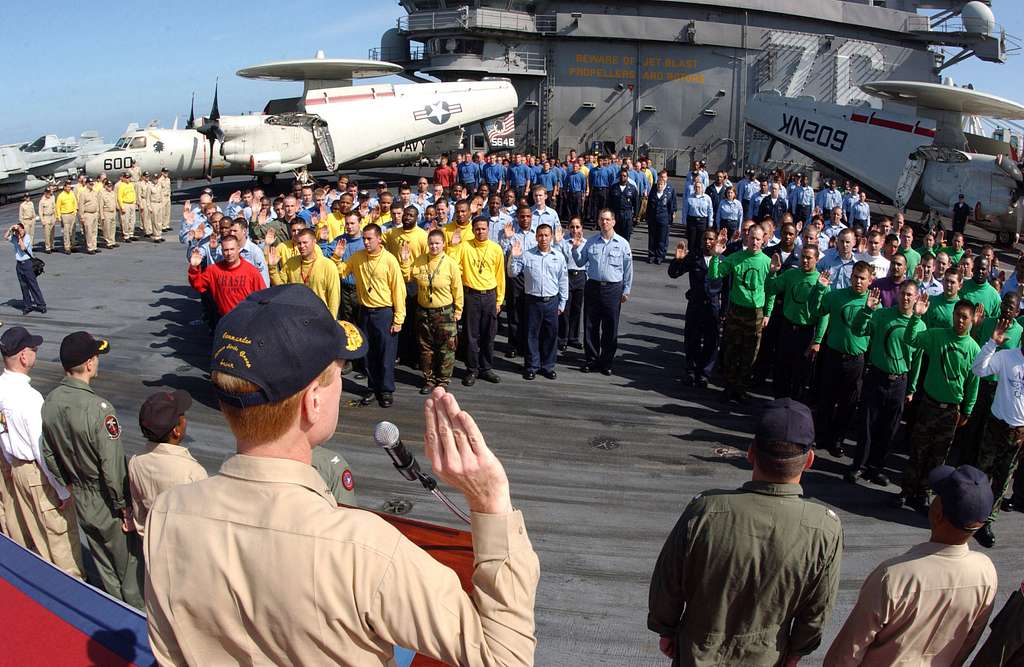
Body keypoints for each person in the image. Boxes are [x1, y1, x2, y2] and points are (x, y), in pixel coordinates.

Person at [143, 285, 539, 665]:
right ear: (313, 401)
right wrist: (490, 503)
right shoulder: (363, 550)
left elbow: (169, 651)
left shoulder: (167, 514)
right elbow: (503, 658)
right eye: (339, 374)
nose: (343, 385)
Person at [648, 398, 842, 666]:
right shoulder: (824, 528)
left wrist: (666, 628)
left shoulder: (706, 509)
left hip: (697, 652)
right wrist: (797, 651)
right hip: (767, 657)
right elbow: (818, 608)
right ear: (809, 460)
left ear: (751, 453)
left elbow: (668, 580)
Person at [833, 465, 998, 664]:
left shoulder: (894, 575)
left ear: (937, 514)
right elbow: (968, 643)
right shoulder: (986, 572)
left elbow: (847, 652)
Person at [41, 331, 144, 608]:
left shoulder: (49, 402)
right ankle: (136, 620)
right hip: (106, 501)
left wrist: (68, 483)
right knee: (130, 570)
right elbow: (112, 466)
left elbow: (49, 452)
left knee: (104, 566)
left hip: (81, 496)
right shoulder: (99, 409)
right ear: (89, 364)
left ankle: (114, 612)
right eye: (96, 356)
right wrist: (124, 507)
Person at [0, 327, 83, 577]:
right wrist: (61, 490)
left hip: (15, 467)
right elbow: (42, 449)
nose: (35, 353)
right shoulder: (30, 398)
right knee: (59, 538)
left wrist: (9, 462)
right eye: (33, 349)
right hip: (37, 475)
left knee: (31, 532)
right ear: (23, 357)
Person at [895, 297, 981, 512]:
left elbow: (973, 384)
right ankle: (906, 490)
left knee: (938, 458)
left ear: (972, 320)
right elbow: (911, 339)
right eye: (957, 315)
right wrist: (917, 316)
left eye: (964, 317)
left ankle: (924, 494)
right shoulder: (937, 335)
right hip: (928, 405)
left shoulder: (974, 349)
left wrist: (967, 411)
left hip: (951, 412)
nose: (959, 320)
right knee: (917, 450)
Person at [845, 281, 925, 486]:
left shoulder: (920, 325)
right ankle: (858, 466)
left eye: (910, 295)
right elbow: (857, 329)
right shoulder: (882, 315)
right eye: (903, 294)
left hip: (899, 383)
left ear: (916, 298)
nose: (906, 298)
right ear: (898, 295)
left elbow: (916, 362)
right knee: (867, 425)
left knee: (889, 428)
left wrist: (912, 388)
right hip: (877, 377)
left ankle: (876, 468)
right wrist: (866, 310)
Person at [334, 223, 406, 408]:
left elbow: (398, 290)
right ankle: (372, 387)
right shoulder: (357, 257)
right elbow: (341, 272)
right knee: (369, 354)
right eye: (364, 239)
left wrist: (399, 318)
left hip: (384, 312)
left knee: (386, 354)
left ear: (379, 239)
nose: (365, 242)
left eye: (369, 239)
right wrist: (337, 257)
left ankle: (386, 390)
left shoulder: (389, 260)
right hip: (364, 311)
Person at [969, 313, 1024, 548]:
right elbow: (978, 370)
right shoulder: (1005, 357)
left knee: (1003, 480)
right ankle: (971, 515)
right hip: (997, 426)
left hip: (1019, 433)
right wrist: (991, 343)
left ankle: (986, 523)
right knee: (983, 474)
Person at [809, 261, 873, 457]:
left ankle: (837, 440)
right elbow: (816, 310)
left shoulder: (874, 302)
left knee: (848, 403)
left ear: (870, 280)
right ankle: (820, 435)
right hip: (833, 355)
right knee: (826, 397)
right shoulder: (836, 296)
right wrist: (819, 289)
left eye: (862, 278)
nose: (858, 281)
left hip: (856, 360)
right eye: (855, 276)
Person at [128, 390, 207, 538]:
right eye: (182, 415)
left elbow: (140, 515)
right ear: (176, 431)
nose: (185, 419)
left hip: (153, 543)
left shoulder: (136, 462)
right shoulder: (193, 472)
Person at [708, 223, 771, 401]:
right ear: (746, 238)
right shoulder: (736, 257)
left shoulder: (767, 262)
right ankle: (729, 386)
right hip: (736, 310)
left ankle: (741, 388)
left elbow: (771, 290)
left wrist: (768, 313)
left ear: (763, 240)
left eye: (758, 239)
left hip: (756, 313)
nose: (755, 242)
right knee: (731, 350)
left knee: (750, 354)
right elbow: (715, 275)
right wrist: (716, 256)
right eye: (752, 238)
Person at [571, 208, 633, 376]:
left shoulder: (622, 244)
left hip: (613, 288)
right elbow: (580, 261)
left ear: (613, 222)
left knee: (610, 326)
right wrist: (575, 248)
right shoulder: (591, 242)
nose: (604, 222)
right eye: (601, 219)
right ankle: (591, 360)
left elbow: (628, 269)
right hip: (593, 286)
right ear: (598, 222)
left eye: (607, 219)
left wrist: (626, 290)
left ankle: (606, 362)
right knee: (590, 325)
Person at [400, 228, 464, 392]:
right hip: (423, 312)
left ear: (443, 244)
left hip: (444, 312)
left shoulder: (450, 264)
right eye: (431, 243)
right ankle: (429, 379)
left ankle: (443, 380)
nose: (434, 246)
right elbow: (408, 277)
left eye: (437, 243)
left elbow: (458, 289)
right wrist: (405, 261)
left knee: (446, 348)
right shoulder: (421, 260)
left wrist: (458, 310)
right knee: (425, 348)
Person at [448, 216, 505, 386]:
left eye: (483, 228)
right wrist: (452, 246)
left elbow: (500, 276)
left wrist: (499, 300)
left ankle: (486, 368)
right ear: (473, 230)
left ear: (488, 229)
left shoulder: (496, 249)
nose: (480, 232)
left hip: (490, 296)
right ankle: (472, 369)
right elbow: (452, 264)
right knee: (471, 336)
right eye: (477, 229)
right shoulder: (465, 246)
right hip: (471, 296)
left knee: (489, 335)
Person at [508, 223, 568, 380]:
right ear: (536, 237)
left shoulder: (559, 256)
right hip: (532, 301)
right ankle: (532, 365)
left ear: (551, 237)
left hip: (551, 301)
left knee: (550, 334)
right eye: (540, 235)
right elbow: (513, 273)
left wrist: (562, 302)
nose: (543, 238)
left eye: (546, 235)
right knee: (531, 334)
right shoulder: (527, 255)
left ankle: (547, 366)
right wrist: (514, 256)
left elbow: (563, 281)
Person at [764, 244, 823, 400]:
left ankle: (795, 405)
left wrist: (818, 340)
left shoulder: (821, 281)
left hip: (806, 332)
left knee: (800, 373)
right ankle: (778, 402)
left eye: (809, 258)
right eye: (803, 256)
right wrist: (772, 273)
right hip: (787, 328)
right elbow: (771, 289)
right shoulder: (791, 274)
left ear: (816, 259)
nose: (805, 260)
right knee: (781, 368)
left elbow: (824, 315)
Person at [669, 232, 721, 388]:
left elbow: (727, 287)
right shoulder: (694, 257)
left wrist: (725, 311)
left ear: (716, 241)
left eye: (711, 239)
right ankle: (691, 371)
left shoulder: (722, 260)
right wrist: (677, 260)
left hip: (712, 305)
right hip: (696, 304)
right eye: (705, 238)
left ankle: (704, 373)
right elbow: (674, 274)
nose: (707, 242)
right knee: (692, 339)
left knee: (711, 341)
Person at [188, 235, 266, 320]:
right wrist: (194, 267)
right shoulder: (213, 270)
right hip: (223, 320)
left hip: (246, 320)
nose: (229, 253)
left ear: (238, 249)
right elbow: (198, 284)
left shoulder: (251, 271)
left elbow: (263, 296)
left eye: (232, 249)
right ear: (221, 251)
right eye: (226, 250)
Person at [268, 228, 339, 315]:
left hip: (320, 316)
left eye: (305, 243)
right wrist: (272, 268)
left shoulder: (328, 265)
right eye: (299, 243)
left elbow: (334, 297)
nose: (301, 246)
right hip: (296, 314)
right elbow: (281, 287)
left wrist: (332, 321)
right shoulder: (291, 262)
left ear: (314, 242)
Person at [5, 223, 46, 315]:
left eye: (20, 230)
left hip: (27, 264)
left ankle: (41, 305)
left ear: (23, 229)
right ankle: (28, 306)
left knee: (33, 285)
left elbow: (23, 248)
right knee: (24, 286)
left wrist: (19, 237)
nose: (19, 232)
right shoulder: (15, 238)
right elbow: (5, 236)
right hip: (19, 265)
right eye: (17, 231)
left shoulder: (27, 237)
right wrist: (11, 228)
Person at [608, 168, 639, 241]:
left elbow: (636, 203)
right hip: (616, 213)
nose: (622, 177)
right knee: (615, 235)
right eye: (621, 176)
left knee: (626, 235)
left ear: (627, 177)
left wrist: (635, 216)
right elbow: (609, 202)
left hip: (627, 214)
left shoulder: (632, 188)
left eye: (624, 176)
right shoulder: (614, 187)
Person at [55, 180, 78, 254]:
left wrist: (75, 212)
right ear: (64, 187)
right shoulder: (60, 196)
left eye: (70, 187)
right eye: (68, 187)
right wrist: (58, 216)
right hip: (65, 215)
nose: (69, 188)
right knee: (66, 232)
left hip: (72, 214)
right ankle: (67, 247)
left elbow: (75, 202)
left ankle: (73, 246)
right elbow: (57, 207)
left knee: (73, 231)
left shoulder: (71, 193)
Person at [115, 172, 138, 243]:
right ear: (124, 178)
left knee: (132, 220)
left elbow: (134, 193)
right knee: (125, 220)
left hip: (132, 203)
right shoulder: (121, 185)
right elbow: (119, 197)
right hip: (125, 203)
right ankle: (126, 235)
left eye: (129, 178)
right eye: (126, 178)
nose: (128, 179)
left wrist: (135, 202)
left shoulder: (131, 185)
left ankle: (131, 233)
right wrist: (122, 207)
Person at [99, 180, 119, 249]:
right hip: (106, 212)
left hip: (113, 212)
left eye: (111, 186)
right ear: (105, 186)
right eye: (108, 186)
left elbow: (115, 202)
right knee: (107, 228)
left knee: (113, 228)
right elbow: (100, 206)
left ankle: (113, 241)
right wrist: (101, 215)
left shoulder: (113, 193)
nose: (110, 187)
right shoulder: (102, 194)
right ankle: (108, 242)